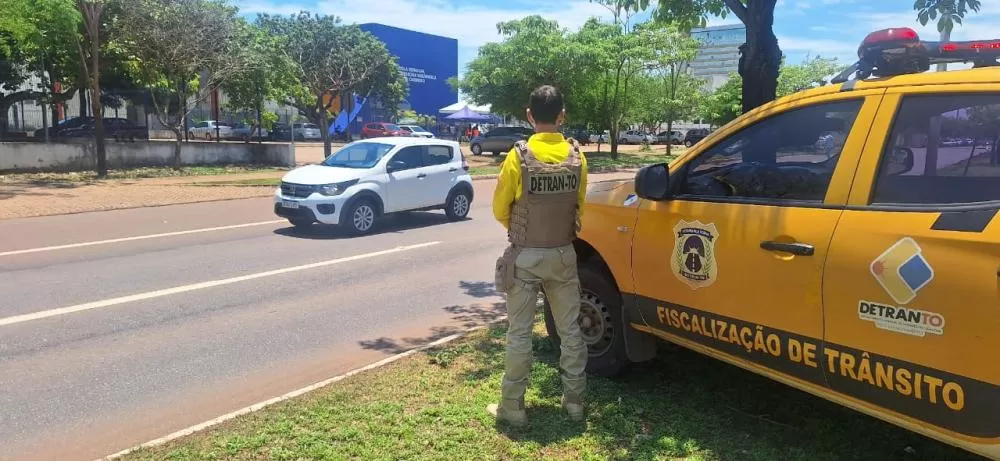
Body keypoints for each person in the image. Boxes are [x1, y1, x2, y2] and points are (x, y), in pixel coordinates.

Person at [489, 84, 589, 427]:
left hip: (526, 257)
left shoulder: (517, 156)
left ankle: (513, 407)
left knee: (519, 334)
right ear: (562, 115)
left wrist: (522, 233)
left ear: (529, 115)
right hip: (563, 254)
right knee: (571, 332)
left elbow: (500, 208)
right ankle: (575, 403)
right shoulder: (578, 155)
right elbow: (580, 205)